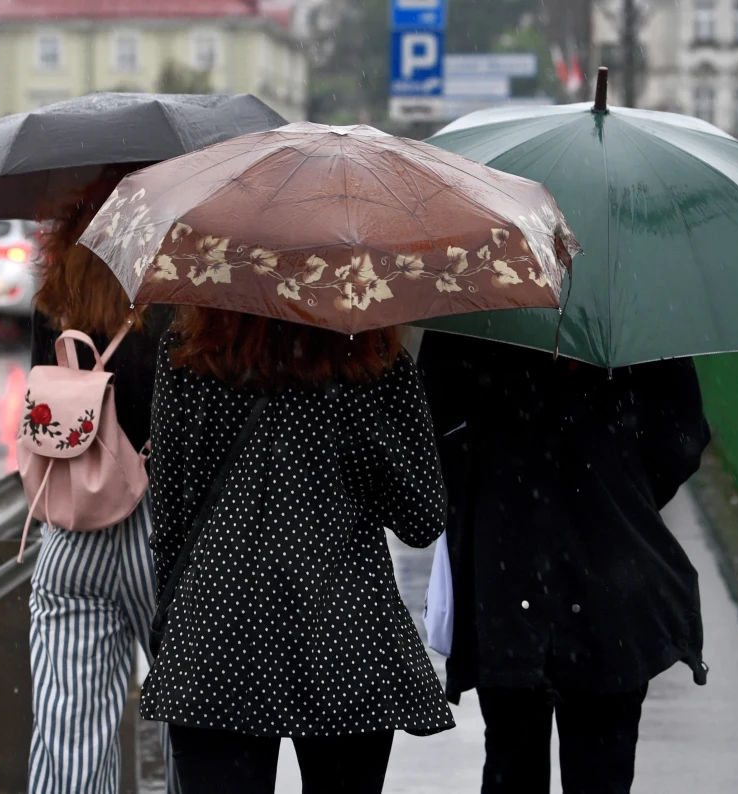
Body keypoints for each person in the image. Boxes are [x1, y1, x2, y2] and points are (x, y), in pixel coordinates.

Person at [144, 308, 455, 794]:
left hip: (216, 633)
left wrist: (175, 627)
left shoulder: (191, 348)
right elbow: (422, 518)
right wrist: (360, 409)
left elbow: (167, 518)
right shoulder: (372, 357)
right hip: (345, 638)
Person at [416, 332, 712, 794]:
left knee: (511, 760)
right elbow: (682, 439)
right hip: (611, 579)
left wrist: (493, 487)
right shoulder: (632, 313)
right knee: (603, 765)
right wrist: (622, 492)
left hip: (506, 574)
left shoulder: (475, 306)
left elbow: (433, 429)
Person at [27, 169, 175, 793]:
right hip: (164, 535)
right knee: (192, 736)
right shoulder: (178, 292)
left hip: (72, 530)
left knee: (69, 744)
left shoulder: (57, 296)